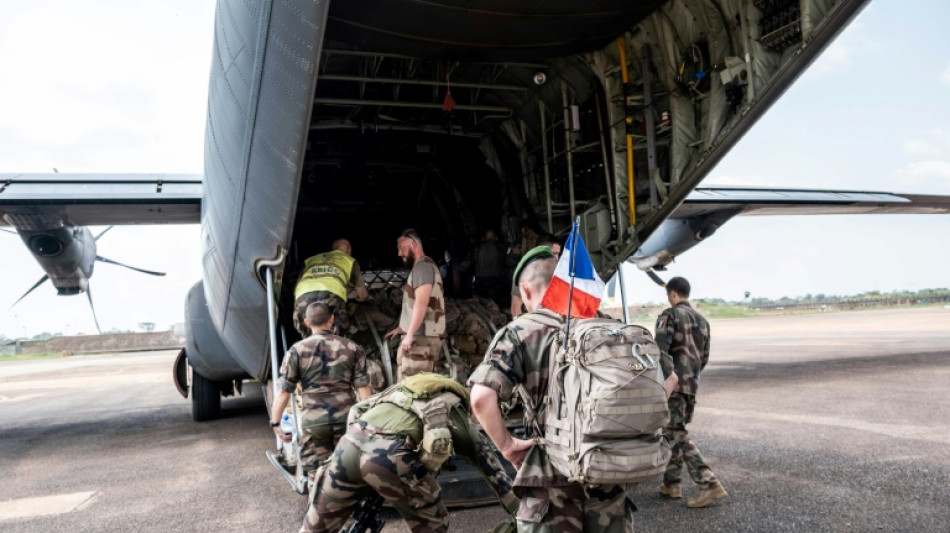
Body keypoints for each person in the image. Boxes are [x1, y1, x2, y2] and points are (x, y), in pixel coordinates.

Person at [469, 246, 635, 532]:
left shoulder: (518, 332)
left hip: (551, 476)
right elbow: (665, 379)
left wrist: (508, 446)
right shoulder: (605, 325)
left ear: (525, 289)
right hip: (607, 468)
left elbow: (481, 398)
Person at [299, 373, 519, 533]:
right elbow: (499, 479)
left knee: (316, 527)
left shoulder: (411, 389)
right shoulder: (459, 413)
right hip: (389, 456)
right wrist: (526, 516)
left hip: (348, 445)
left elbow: (358, 409)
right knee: (434, 525)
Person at [270, 302, 372, 487]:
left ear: (306, 322)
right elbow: (363, 388)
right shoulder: (352, 348)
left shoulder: (296, 350)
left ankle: (318, 501)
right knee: (348, 470)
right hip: (345, 419)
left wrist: (275, 422)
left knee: (316, 474)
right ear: (331, 320)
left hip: (314, 423)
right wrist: (367, 422)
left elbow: (284, 391)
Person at [655, 276, 728, 508]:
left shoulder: (669, 315)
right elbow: (704, 358)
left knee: (676, 433)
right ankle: (671, 483)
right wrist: (690, 377)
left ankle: (708, 483)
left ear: (673, 294)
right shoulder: (703, 321)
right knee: (673, 432)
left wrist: (666, 381)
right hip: (691, 386)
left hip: (674, 385)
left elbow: (659, 351)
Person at [384, 229, 446, 381]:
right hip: (422, 333)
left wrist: (410, 334)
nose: (399, 253)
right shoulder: (424, 266)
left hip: (421, 337)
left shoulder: (422, 268)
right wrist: (402, 327)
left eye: (401, 247)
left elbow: (421, 302)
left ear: (413, 244)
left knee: (412, 385)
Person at [293, 238, 370, 338]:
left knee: (308, 336)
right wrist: (365, 299)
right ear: (348, 249)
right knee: (336, 334)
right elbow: (362, 294)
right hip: (331, 295)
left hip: (303, 296)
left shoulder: (310, 260)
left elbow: (295, 290)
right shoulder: (349, 260)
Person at [510, 234, 560, 318]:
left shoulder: (560, 272)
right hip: (532, 321)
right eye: (554, 253)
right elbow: (515, 308)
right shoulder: (525, 274)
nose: (557, 257)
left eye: (558, 253)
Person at [472, 228, 507, 306]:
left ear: (483, 239)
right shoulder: (500, 249)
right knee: (496, 304)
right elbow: (507, 262)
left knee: (481, 304)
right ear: (496, 238)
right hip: (496, 280)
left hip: (480, 280)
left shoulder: (477, 249)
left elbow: (470, 261)